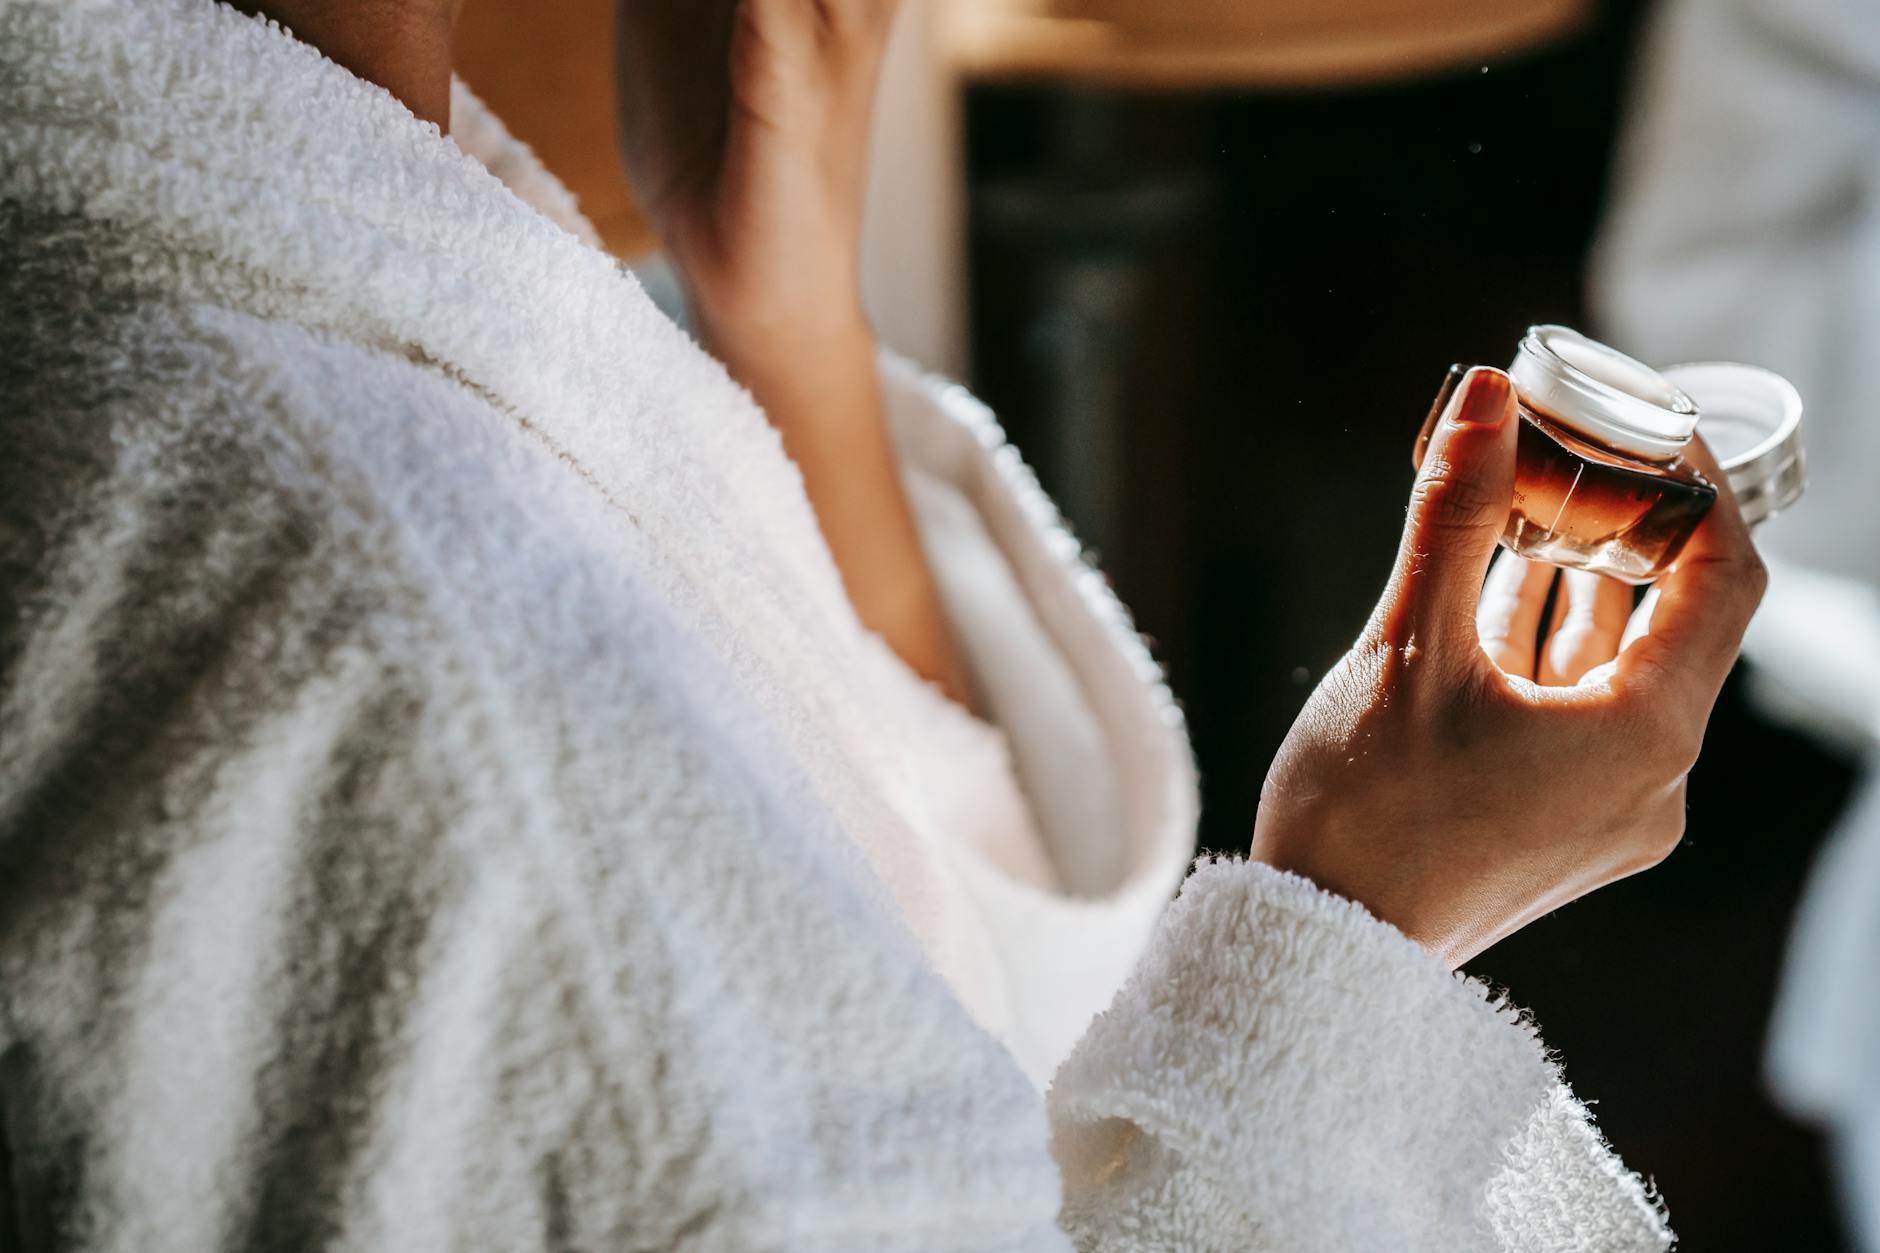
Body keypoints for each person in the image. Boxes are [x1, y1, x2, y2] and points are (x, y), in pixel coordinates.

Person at [0, 0, 1765, 1247]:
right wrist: (1370, 912)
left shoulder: (265, 278)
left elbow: (909, 989)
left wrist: (784, 322)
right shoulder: (385, 613)